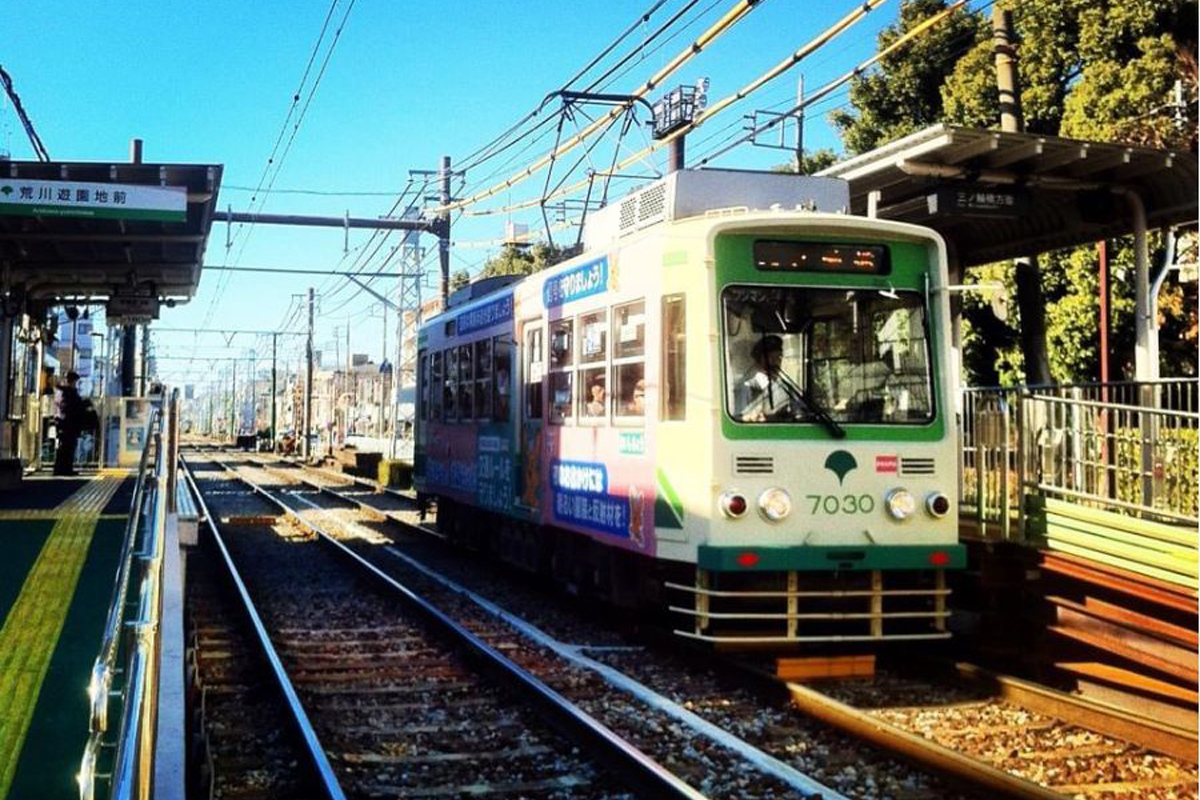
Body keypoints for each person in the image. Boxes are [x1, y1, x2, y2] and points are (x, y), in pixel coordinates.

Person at [736, 335, 793, 422]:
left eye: (778, 357)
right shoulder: (745, 386)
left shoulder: (784, 386)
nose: (776, 362)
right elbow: (740, 419)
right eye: (771, 357)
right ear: (759, 359)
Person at [54, 371, 90, 476]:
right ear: (72, 381)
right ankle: (65, 469)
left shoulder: (60, 392)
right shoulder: (69, 392)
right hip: (69, 424)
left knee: (62, 447)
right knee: (68, 447)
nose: (76, 384)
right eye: (75, 381)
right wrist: (83, 404)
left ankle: (60, 468)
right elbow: (72, 407)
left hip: (62, 422)